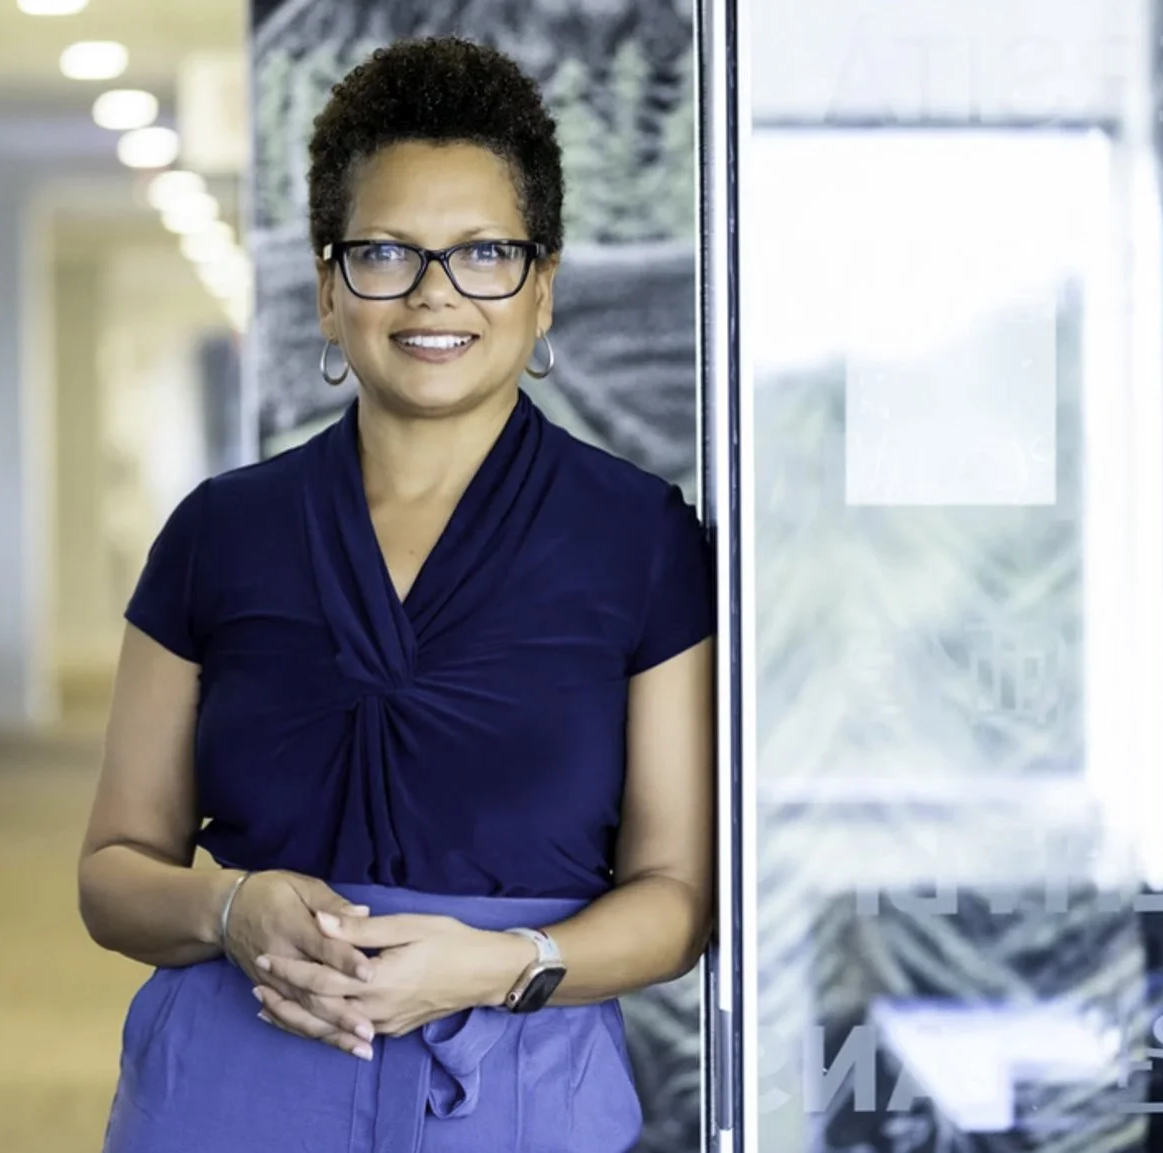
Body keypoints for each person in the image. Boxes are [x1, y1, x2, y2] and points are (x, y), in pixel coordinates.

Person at [77, 35, 715, 1153]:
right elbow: (113, 874)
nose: (434, 294)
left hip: (519, 1094)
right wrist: (229, 911)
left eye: (482, 254)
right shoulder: (219, 533)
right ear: (329, 291)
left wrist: (506, 965)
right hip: (232, 1089)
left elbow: (677, 899)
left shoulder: (642, 538)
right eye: (385, 253)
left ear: (543, 287)